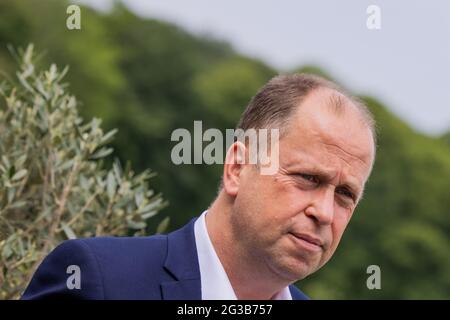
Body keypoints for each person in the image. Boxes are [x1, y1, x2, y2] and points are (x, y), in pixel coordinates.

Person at [22, 73, 376, 300]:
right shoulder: (96, 281)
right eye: (307, 178)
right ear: (237, 168)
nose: (325, 212)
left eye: (345, 195)